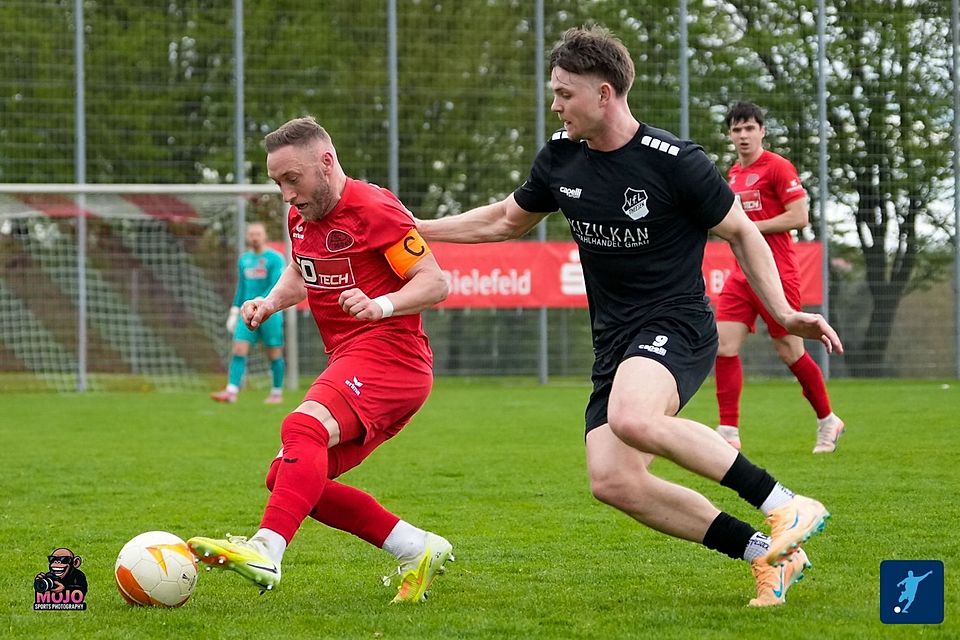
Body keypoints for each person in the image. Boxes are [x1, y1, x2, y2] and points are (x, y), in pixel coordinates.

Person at [417, 26, 842, 607]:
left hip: (677, 324)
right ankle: (769, 557)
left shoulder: (675, 161)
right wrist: (415, 228)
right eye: (555, 92)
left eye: (565, 93)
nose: (555, 104)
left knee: (633, 418)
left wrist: (786, 312)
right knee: (613, 480)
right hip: (615, 341)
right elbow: (503, 221)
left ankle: (786, 505)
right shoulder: (560, 159)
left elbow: (743, 232)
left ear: (605, 93)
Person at [190, 116, 453, 604]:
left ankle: (266, 549)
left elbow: (435, 281)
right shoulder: (300, 216)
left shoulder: (375, 208)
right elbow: (299, 269)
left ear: (326, 164)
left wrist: (381, 305)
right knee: (287, 476)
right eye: (278, 183)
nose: (287, 194)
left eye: (293, 179)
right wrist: (269, 302)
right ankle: (416, 547)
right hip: (352, 358)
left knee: (303, 427)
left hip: (393, 356)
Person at [714, 101, 844, 454]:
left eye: (749, 128)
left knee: (790, 352)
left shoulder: (778, 167)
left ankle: (827, 420)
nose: (743, 135)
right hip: (742, 274)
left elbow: (799, 216)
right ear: (730, 134)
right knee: (723, 345)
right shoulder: (733, 174)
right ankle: (728, 432)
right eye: (737, 129)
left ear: (762, 131)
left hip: (778, 272)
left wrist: (750, 229)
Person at [211, 222, 287, 404]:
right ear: (247, 236)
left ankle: (276, 392)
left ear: (265, 235)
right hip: (247, 311)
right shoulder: (244, 260)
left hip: (270, 312)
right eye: (251, 234)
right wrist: (234, 310)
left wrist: (262, 301)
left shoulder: (275, 258)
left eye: (258, 233)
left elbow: (276, 284)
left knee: (274, 353)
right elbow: (242, 287)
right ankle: (231, 391)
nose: (255, 237)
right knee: (238, 348)